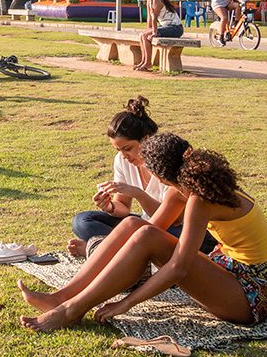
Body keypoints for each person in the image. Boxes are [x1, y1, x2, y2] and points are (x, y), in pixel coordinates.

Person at [20, 132, 267, 332]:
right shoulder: (183, 189)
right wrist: (107, 250)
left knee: (144, 235)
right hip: (226, 269)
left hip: (250, 297)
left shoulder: (200, 199)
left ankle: (72, 310)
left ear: (160, 175)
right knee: (133, 225)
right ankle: (62, 297)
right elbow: (145, 230)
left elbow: (178, 267)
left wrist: (126, 303)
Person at [68, 97, 215, 257]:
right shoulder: (122, 161)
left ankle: (101, 248)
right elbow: (123, 207)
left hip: (182, 229)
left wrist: (138, 194)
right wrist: (109, 206)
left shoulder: (165, 160)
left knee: (160, 235)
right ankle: (111, 248)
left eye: (127, 148)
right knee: (83, 221)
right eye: (118, 150)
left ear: (145, 139)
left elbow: (174, 219)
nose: (124, 156)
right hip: (150, 224)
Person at [135, 0, 184, 72]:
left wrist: (154, 32)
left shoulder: (156, 0)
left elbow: (154, 17)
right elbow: (149, 18)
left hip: (175, 28)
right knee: (142, 35)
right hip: (167, 27)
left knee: (146, 36)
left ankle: (148, 63)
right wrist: (147, 30)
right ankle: (144, 61)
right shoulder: (149, 0)